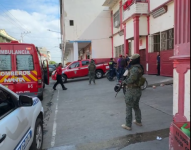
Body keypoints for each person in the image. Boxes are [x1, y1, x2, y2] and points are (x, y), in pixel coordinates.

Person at [121, 54, 143, 130]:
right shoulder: (139, 67)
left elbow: (131, 79)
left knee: (128, 107)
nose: (129, 60)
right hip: (137, 90)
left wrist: (124, 82)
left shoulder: (134, 69)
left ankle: (128, 125)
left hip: (132, 90)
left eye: (131, 59)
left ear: (134, 60)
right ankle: (138, 121)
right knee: (136, 106)